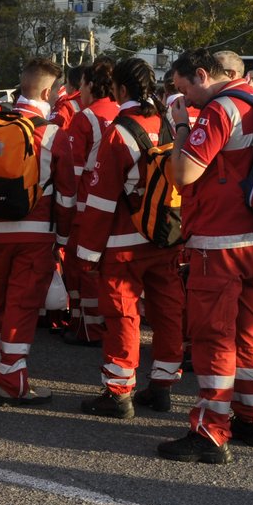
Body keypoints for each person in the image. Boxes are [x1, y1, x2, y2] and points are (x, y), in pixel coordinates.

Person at [163, 49, 253, 463]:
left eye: (185, 90)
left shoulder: (219, 109)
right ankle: (251, 416)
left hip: (220, 239)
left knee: (214, 335)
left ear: (201, 75)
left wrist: (181, 127)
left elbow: (185, 173)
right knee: (251, 332)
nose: (187, 101)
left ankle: (211, 429)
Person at [74, 57, 184, 418]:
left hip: (124, 241)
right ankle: (163, 386)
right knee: (167, 311)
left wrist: (87, 253)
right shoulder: (167, 123)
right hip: (165, 235)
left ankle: (119, 392)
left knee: (123, 315)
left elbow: (102, 199)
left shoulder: (119, 131)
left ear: (120, 90)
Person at [0, 56, 62, 402]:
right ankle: (14, 381)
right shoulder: (50, 131)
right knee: (21, 307)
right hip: (34, 232)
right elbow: (65, 191)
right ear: (46, 90)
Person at [54, 58, 120, 346]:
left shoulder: (86, 117)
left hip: (88, 205)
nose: (78, 91)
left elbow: (74, 171)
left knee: (83, 266)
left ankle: (87, 325)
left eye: (81, 85)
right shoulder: (120, 112)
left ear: (91, 84)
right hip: (119, 203)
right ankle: (101, 321)